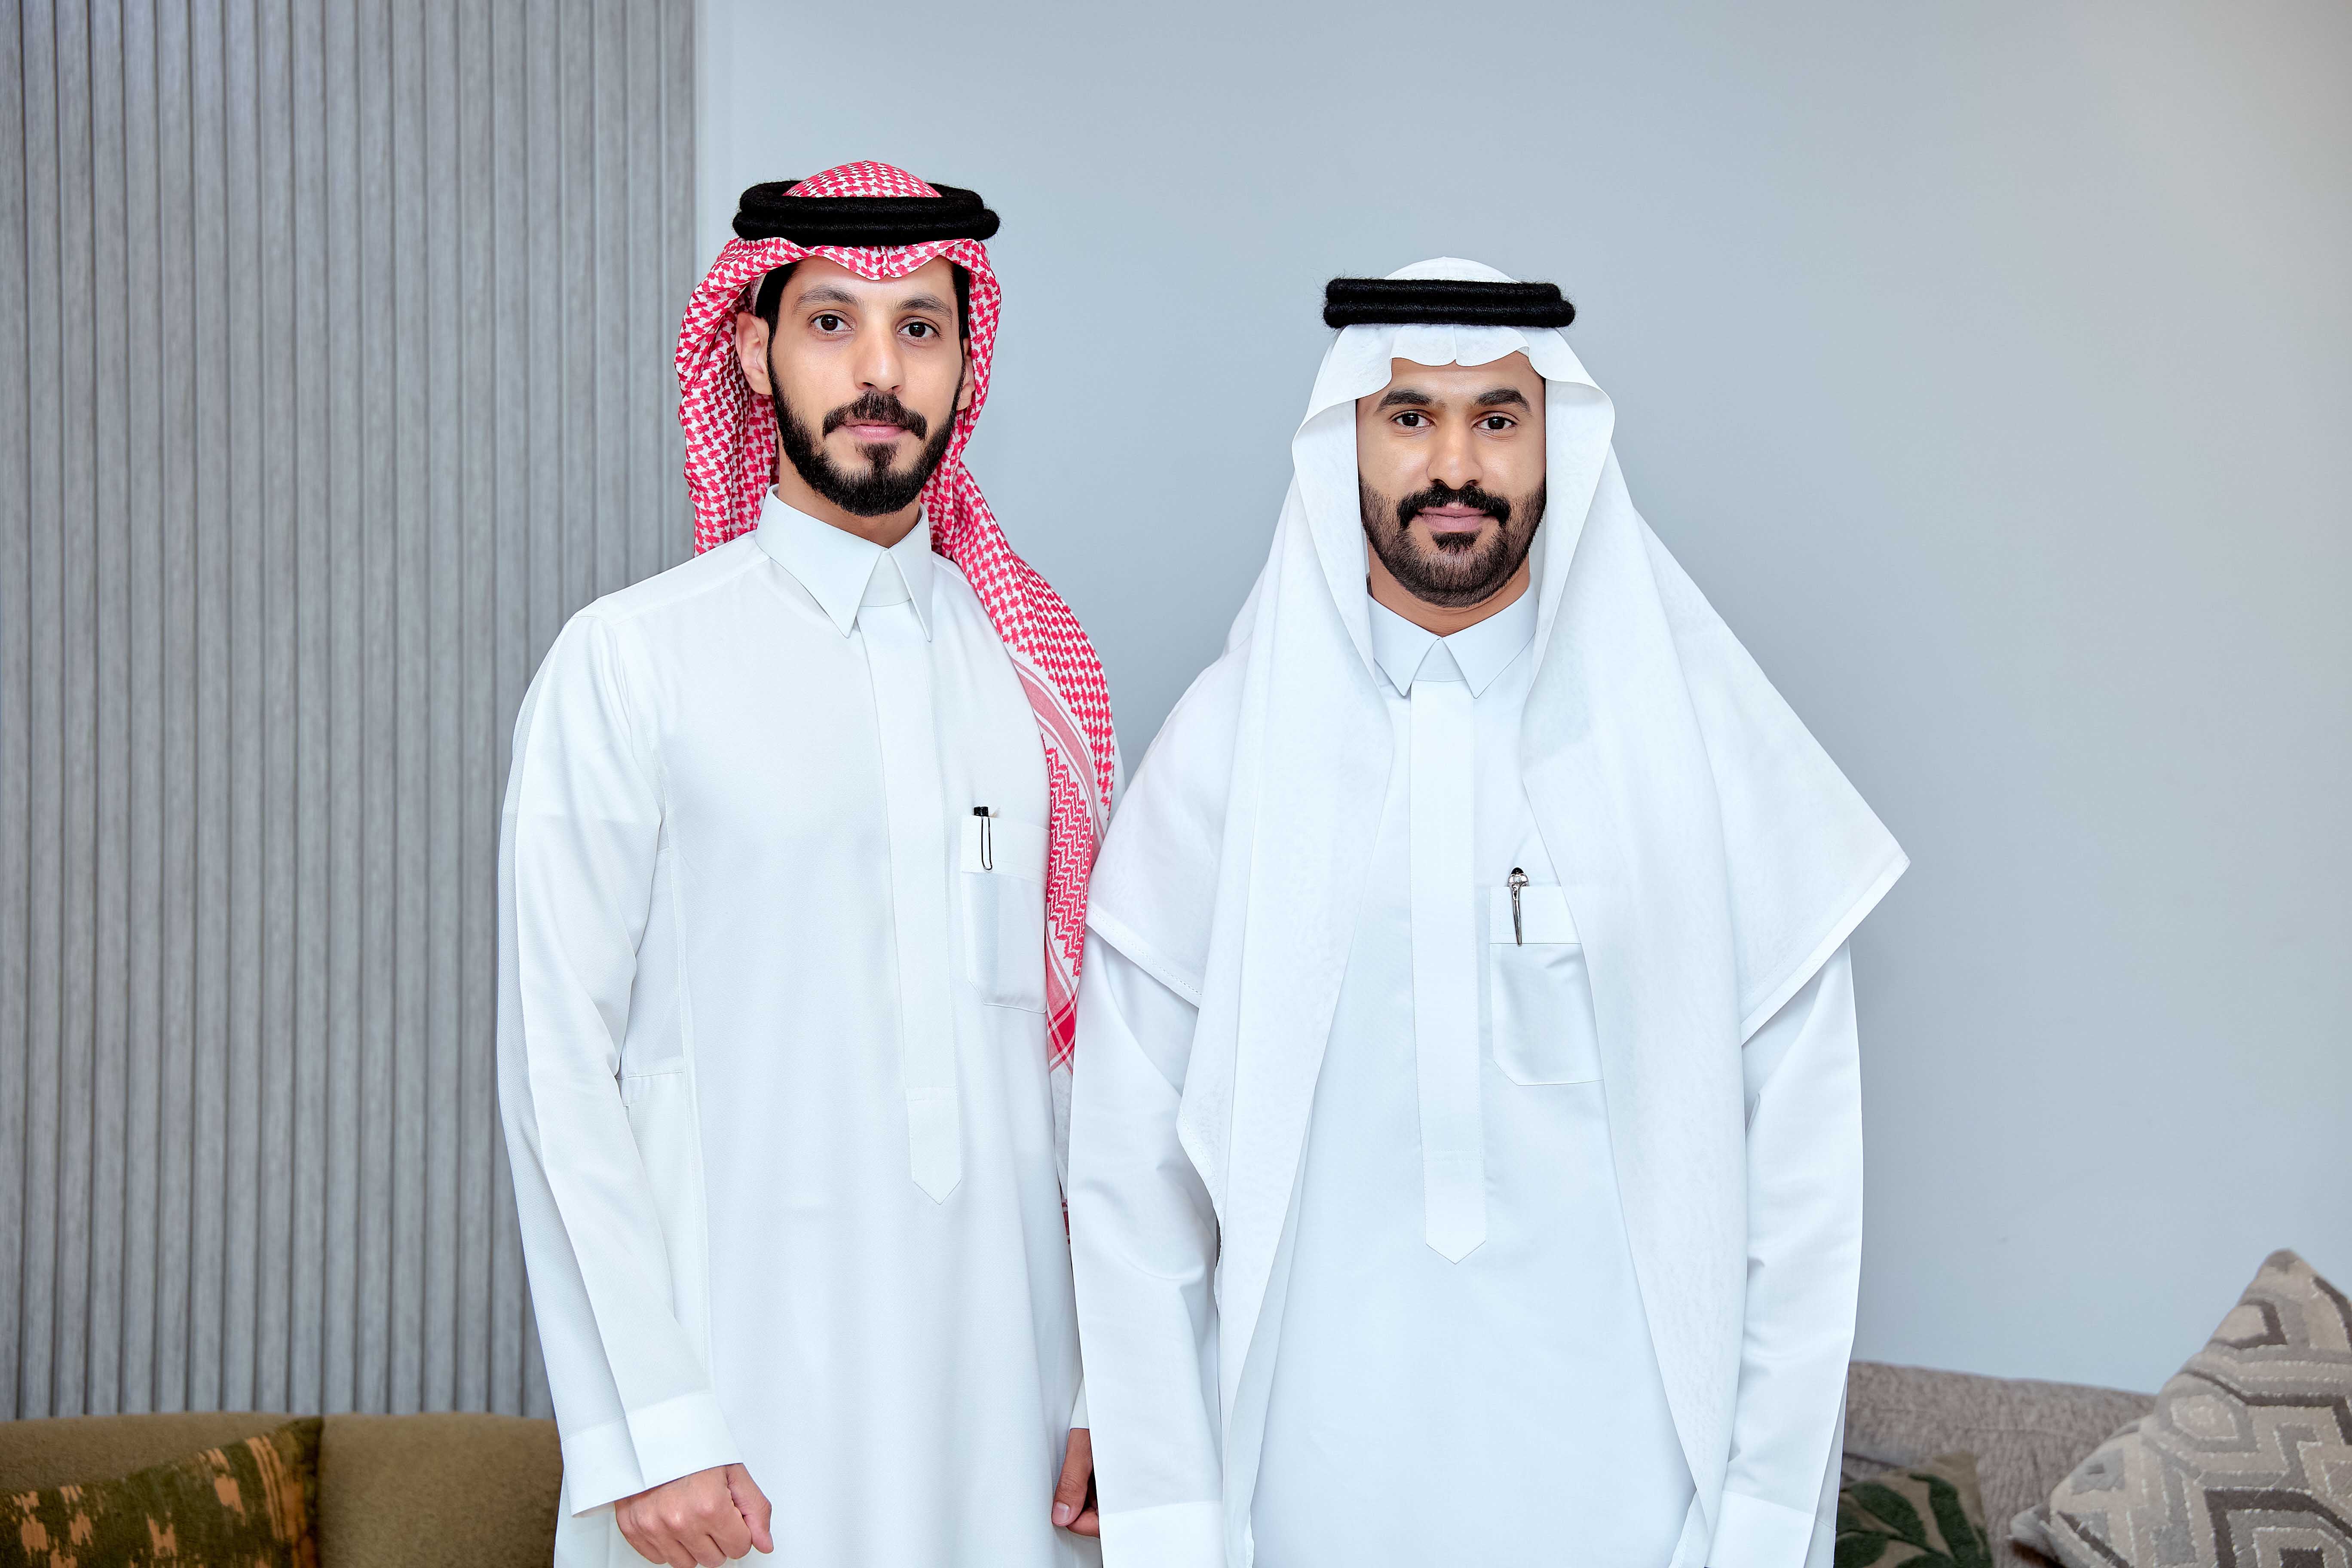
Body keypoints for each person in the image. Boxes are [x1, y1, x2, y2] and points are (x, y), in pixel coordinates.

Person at [1068, 260, 1907, 1568]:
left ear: (1557, 441)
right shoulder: (1228, 757)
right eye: (1410, 416)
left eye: (1498, 419)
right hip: (1305, 1503)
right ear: (1345, 438)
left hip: (1637, 1510)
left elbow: (1804, 1194)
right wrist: (1170, 1522)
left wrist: (1757, 1527)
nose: (1454, 464)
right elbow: (1133, 1187)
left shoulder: (1700, 749)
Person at [498, 163, 1115, 1568]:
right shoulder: (633, 660)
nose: (879, 371)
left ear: (969, 361)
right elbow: (556, 1066)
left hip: (1009, 1421)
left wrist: (1112, 1385)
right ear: (749, 347)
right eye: (832, 322)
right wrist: (651, 1425)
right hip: (732, 1421)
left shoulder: (1035, 684)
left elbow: (1097, 1073)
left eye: (920, 328)